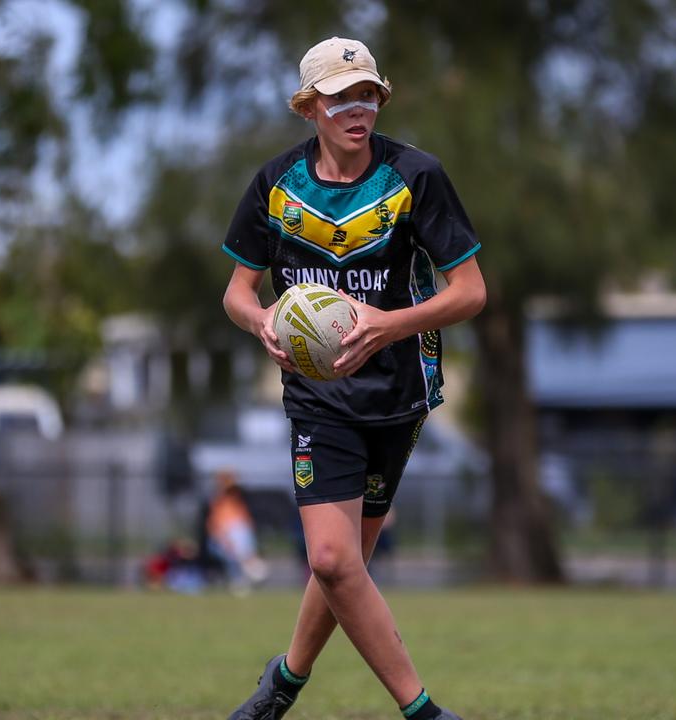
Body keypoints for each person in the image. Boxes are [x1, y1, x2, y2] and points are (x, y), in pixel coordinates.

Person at [220, 37, 485, 720]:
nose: (356, 108)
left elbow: (470, 293)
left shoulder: (414, 177)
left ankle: (283, 682)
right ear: (310, 107)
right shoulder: (276, 184)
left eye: (366, 94)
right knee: (335, 560)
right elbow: (237, 293)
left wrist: (386, 324)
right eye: (340, 98)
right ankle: (423, 711)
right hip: (317, 399)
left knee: (343, 569)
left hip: (398, 393)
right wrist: (261, 323)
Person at [205, 469, 269, 593]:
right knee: (236, 559)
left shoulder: (236, 500)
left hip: (239, 532)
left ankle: (247, 578)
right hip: (229, 533)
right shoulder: (219, 502)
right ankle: (242, 579)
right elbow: (215, 523)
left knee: (244, 557)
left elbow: (245, 520)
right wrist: (222, 537)